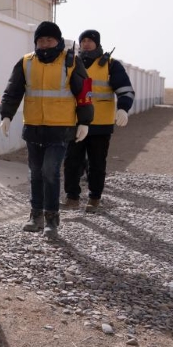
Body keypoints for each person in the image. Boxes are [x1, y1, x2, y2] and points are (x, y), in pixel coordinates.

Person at [0, 21, 93, 237]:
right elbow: (13, 90)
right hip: (33, 127)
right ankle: (36, 215)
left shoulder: (72, 62)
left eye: (49, 39)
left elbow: (84, 93)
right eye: (41, 40)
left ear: (58, 41)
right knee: (35, 172)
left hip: (61, 128)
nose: (45, 44)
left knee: (50, 171)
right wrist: (6, 115)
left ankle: (52, 218)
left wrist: (85, 121)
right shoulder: (26, 62)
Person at [63, 30, 135, 213]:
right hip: (75, 122)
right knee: (72, 162)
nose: (86, 44)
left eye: (90, 40)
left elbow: (126, 90)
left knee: (97, 164)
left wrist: (123, 108)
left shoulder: (111, 65)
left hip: (100, 124)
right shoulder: (71, 62)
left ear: (97, 43)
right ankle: (72, 198)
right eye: (83, 41)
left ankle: (94, 198)